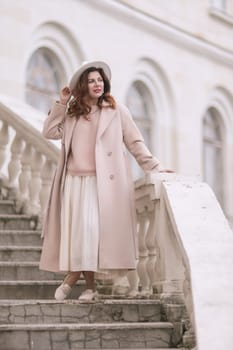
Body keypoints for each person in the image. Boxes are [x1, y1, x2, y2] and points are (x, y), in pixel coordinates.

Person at [39, 60, 173, 302]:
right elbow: (49, 132)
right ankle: (90, 288)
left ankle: (71, 279)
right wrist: (61, 103)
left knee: (92, 232)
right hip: (73, 182)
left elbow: (135, 142)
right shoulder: (72, 113)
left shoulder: (116, 110)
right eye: (91, 81)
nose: (97, 84)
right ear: (83, 85)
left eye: (100, 80)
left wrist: (155, 167)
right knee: (79, 235)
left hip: (101, 184)